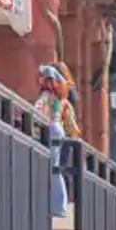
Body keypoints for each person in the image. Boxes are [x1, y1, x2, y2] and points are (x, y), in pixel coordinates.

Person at [34, 62, 82, 217]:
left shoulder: (47, 95)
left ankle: (58, 206)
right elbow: (70, 120)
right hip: (59, 130)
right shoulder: (62, 97)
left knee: (51, 168)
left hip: (51, 130)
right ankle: (59, 205)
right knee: (55, 169)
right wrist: (75, 134)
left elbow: (37, 108)